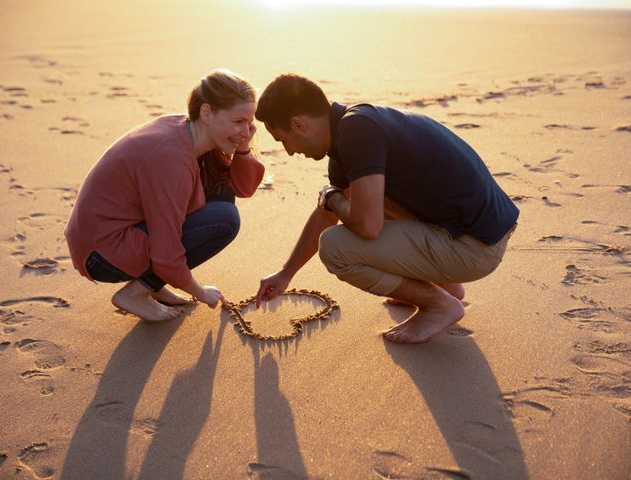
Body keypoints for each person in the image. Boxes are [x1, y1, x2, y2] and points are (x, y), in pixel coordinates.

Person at [253, 73, 519, 343]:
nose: (288, 151)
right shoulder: (353, 126)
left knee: (335, 247)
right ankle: (446, 287)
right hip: (479, 233)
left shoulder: (357, 133)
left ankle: (438, 305)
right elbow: (327, 213)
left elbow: (367, 227)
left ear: (298, 125)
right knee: (359, 204)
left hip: (475, 248)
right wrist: (286, 274)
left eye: (282, 140)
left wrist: (333, 199)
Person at [65, 69, 265, 321]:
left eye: (250, 122)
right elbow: (166, 252)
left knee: (222, 196)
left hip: (112, 234)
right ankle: (135, 294)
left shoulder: (190, 130)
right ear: (206, 112)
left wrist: (243, 146)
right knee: (225, 219)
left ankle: (152, 285)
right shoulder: (172, 160)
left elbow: (244, 188)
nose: (247, 131)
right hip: (102, 253)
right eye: (238, 122)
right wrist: (200, 291)